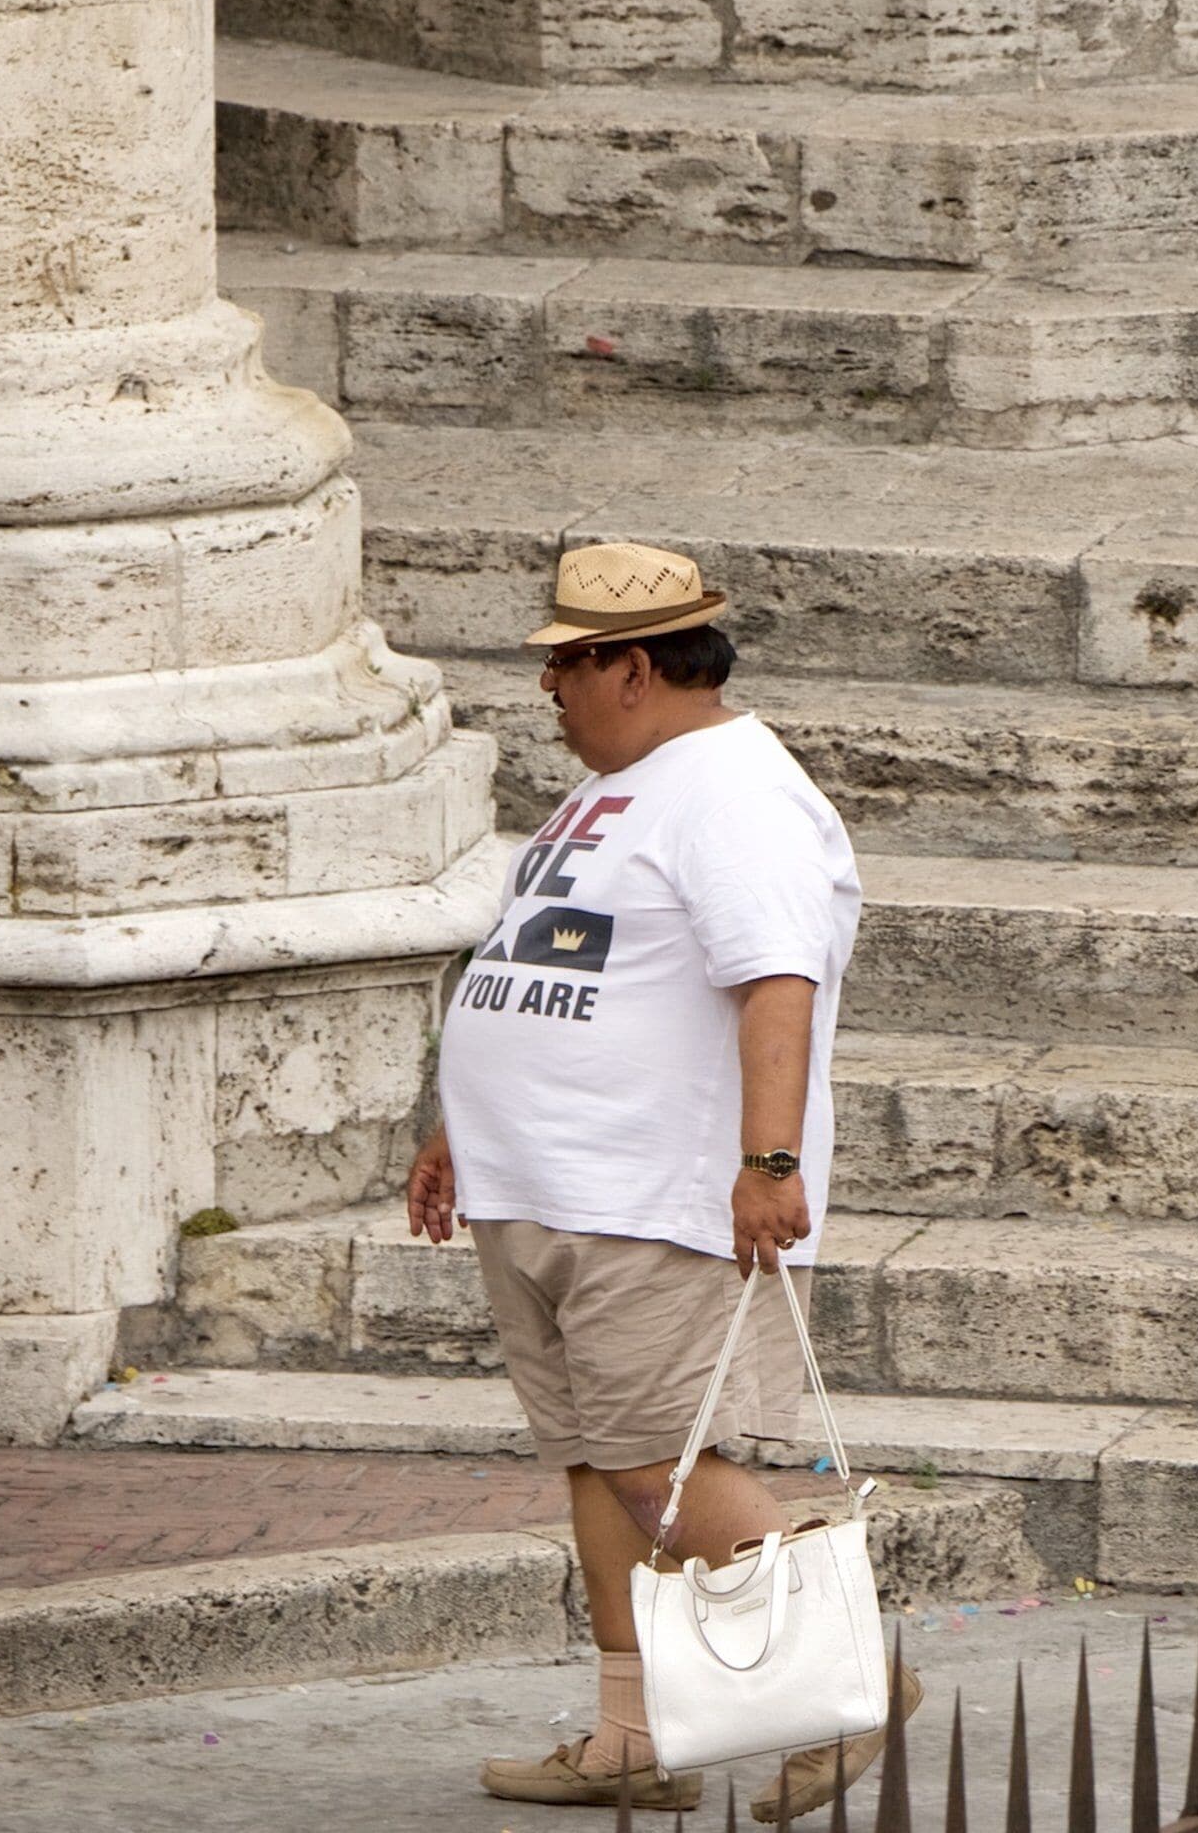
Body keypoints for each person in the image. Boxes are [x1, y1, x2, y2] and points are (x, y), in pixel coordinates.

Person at [404, 540, 898, 1820]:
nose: (550, 690)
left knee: (647, 1469)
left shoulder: (736, 791)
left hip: (648, 1198)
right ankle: (636, 1735)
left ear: (632, 668)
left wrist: (768, 1163)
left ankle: (851, 1674)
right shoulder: (623, 788)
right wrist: (460, 1127)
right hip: (548, 1187)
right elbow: (539, 964)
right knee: (597, 1464)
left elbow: (777, 978)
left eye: (566, 666)